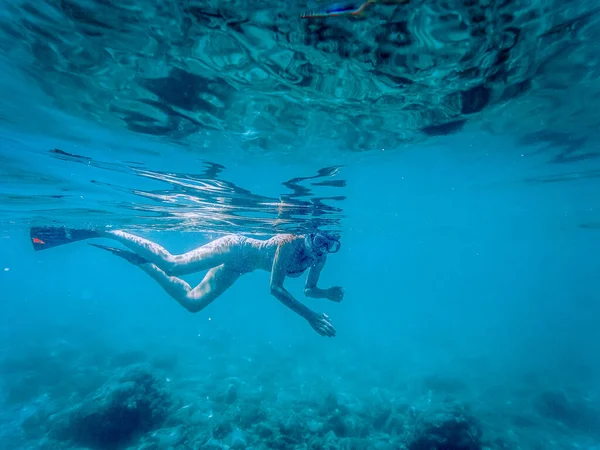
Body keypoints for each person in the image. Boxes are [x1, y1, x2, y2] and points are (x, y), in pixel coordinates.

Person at [29, 227, 344, 337]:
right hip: (236, 248)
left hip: (240, 268)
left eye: (327, 244)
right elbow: (275, 288)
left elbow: (308, 289)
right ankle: (107, 229)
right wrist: (310, 317)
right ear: (308, 232)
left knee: (194, 303)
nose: (318, 248)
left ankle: (140, 263)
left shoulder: (319, 258)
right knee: (174, 265)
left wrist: (326, 294)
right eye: (317, 239)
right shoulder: (287, 243)